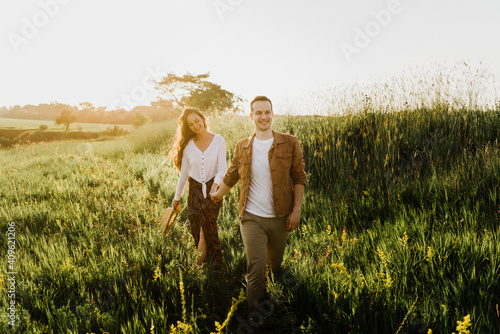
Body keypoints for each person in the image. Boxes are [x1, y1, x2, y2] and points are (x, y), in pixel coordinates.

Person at [210, 96, 306, 313]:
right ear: (251, 116)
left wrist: (296, 211)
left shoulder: (290, 142)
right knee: (255, 269)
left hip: (281, 217)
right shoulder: (242, 146)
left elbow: (299, 178)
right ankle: (256, 318)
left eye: (267, 112)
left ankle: (279, 309)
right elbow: (232, 175)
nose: (263, 117)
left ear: (272, 114)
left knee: (275, 265)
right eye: (259, 113)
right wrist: (216, 194)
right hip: (252, 217)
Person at [169, 107, 227, 268]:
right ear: (187, 127)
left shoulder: (218, 140)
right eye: (191, 124)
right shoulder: (188, 145)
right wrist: (176, 198)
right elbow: (184, 175)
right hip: (194, 191)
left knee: (206, 228)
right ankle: (209, 266)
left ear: (203, 119)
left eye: (197, 121)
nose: (195, 125)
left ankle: (200, 267)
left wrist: (216, 183)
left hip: (213, 191)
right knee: (196, 228)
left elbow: (223, 167)